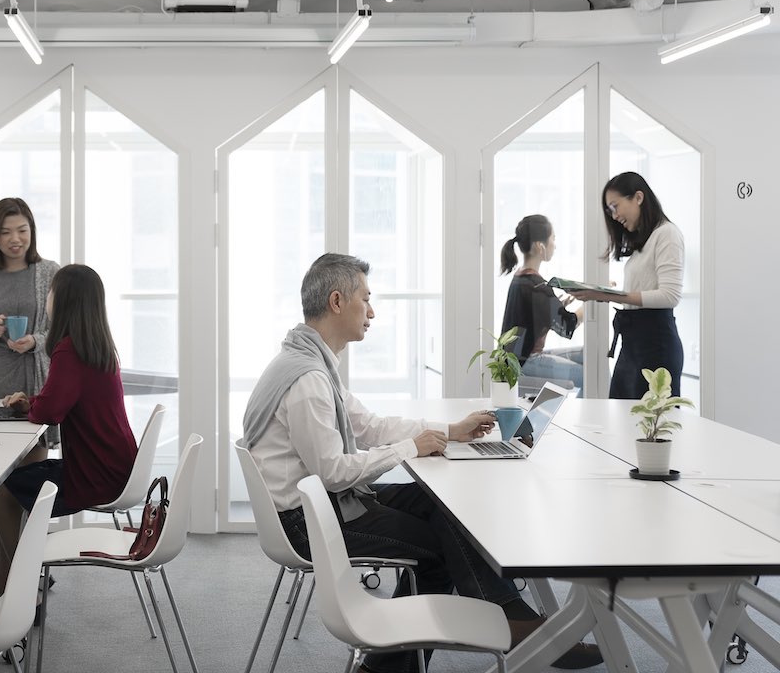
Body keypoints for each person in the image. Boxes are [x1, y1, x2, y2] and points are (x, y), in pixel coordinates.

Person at [243, 253, 600, 672]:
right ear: (337, 302)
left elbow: (369, 425)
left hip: (327, 505)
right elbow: (333, 471)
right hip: (310, 522)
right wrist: (413, 447)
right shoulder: (308, 379)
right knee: (441, 549)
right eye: (366, 299)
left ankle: (509, 616)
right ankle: (496, 628)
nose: (372, 311)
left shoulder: (310, 362)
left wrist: (448, 431)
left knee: (438, 506)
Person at [0, 264, 137, 594]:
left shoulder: (69, 350)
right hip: (114, 467)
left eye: (52, 291)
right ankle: (20, 572)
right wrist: (33, 404)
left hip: (94, 476)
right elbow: (58, 403)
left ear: (64, 299)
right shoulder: (95, 346)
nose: (48, 297)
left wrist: (34, 407)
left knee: (3, 491)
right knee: (21, 479)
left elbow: (52, 412)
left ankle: (11, 586)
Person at [572, 172, 684, 398]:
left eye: (616, 206)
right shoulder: (645, 241)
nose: (614, 216)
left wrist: (608, 295)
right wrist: (601, 294)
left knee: (649, 426)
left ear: (638, 198)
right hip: (633, 343)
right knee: (621, 419)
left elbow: (670, 296)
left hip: (656, 345)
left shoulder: (667, 234)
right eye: (609, 210)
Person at [0, 197, 61, 400]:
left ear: (32, 231)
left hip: (35, 385)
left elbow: (64, 331)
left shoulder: (51, 273)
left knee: (36, 431)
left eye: (22, 231)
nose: (15, 238)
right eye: (5, 232)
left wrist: (35, 341)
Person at [499, 214, 584, 394]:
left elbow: (531, 315)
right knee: (589, 374)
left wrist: (558, 305)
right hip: (527, 360)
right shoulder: (537, 286)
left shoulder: (522, 278)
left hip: (519, 356)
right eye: (553, 238)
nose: (555, 244)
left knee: (589, 354)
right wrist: (592, 301)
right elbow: (567, 326)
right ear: (540, 246)